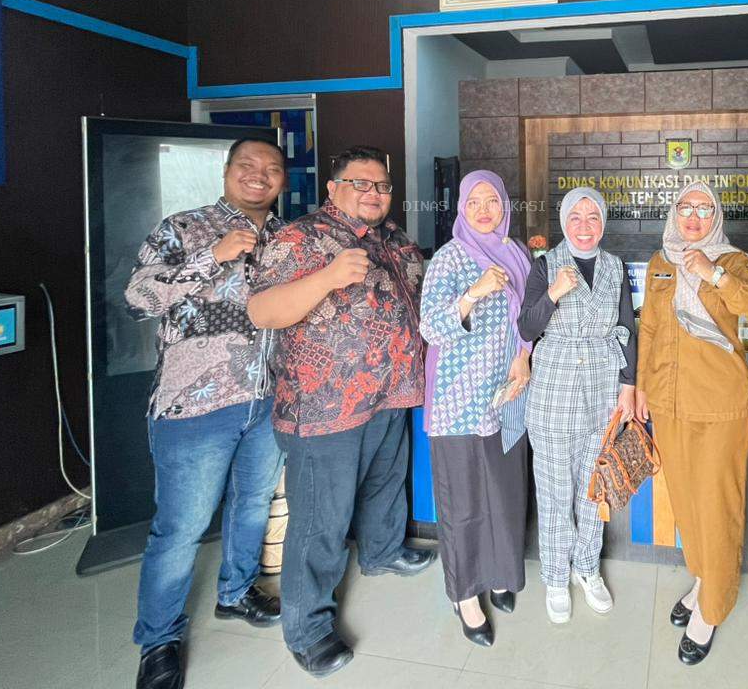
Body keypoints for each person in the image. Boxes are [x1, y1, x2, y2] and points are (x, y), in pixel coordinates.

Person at [248, 145, 434, 678]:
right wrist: (327, 277)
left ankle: (382, 551)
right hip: (324, 407)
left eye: (382, 186)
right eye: (361, 183)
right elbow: (262, 310)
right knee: (321, 518)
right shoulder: (301, 238)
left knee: (384, 483)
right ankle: (307, 628)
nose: (374, 193)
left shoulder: (394, 239)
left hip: (390, 394)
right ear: (333, 188)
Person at [125, 137, 288, 689]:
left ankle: (236, 592)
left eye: (272, 168)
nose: (259, 175)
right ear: (226, 171)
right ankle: (158, 640)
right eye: (248, 165)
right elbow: (138, 299)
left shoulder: (288, 238)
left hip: (267, 399)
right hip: (193, 406)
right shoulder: (184, 228)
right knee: (181, 529)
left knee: (253, 504)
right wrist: (211, 257)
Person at [636, 181, 748, 666]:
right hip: (669, 403)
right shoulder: (660, 262)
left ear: (715, 215)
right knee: (686, 502)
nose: (694, 217)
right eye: (686, 208)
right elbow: (649, 329)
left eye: (704, 209)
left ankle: (713, 608)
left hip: (719, 405)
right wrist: (642, 388)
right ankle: (703, 579)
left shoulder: (735, 262)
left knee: (718, 506)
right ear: (674, 213)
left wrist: (713, 274)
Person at [419, 170, 534, 647]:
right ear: (462, 208)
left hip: (507, 396)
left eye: (493, 201)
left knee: (505, 494)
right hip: (458, 401)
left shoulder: (517, 252)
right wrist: (474, 293)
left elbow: (529, 318)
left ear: (505, 205)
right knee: (462, 501)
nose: (484, 210)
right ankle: (466, 595)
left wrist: (525, 357)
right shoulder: (449, 258)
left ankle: (502, 574)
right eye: (474, 202)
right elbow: (430, 328)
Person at [518, 187, 638, 624]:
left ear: (603, 223)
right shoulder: (545, 265)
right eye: (576, 217)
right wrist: (552, 293)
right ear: (563, 222)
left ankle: (587, 567)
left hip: (603, 387)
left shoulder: (615, 266)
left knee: (593, 487)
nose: (584, 226)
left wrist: (629, 385)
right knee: (554, 492)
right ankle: (555, 576)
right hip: (555, 389)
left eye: (593, 218)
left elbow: (626, 326)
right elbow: (526, 328)